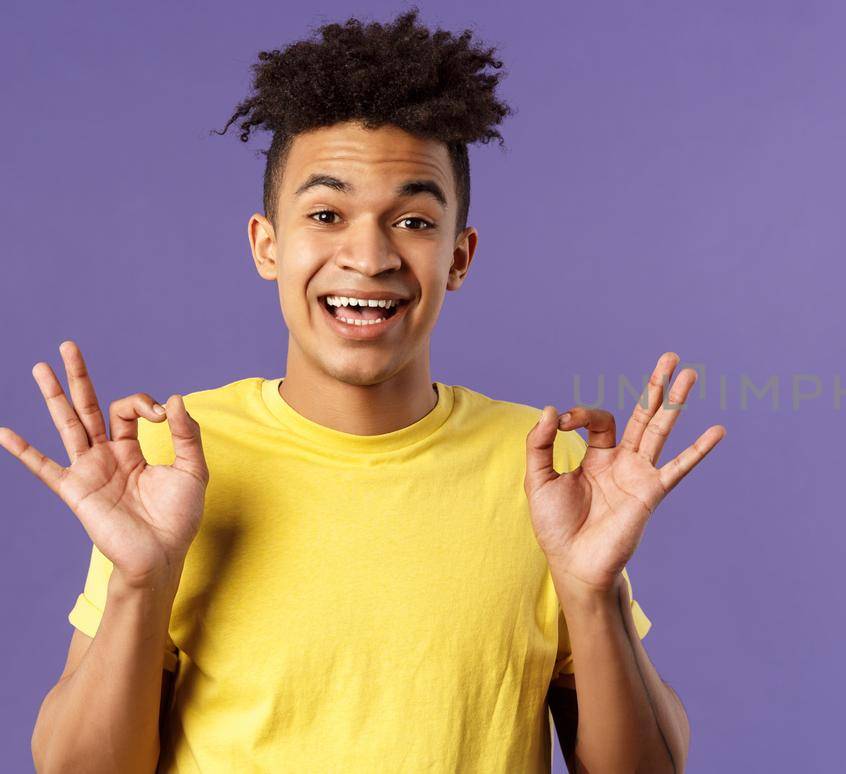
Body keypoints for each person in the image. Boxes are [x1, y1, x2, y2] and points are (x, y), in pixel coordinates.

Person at [0, 8, 723, 772]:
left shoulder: (549, 473)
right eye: (325, 213)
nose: (369, 254)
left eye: (412, 219)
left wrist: (591, 591)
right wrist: (141, 584)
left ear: (460, 256)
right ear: (267, 244)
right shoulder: (167, 464)